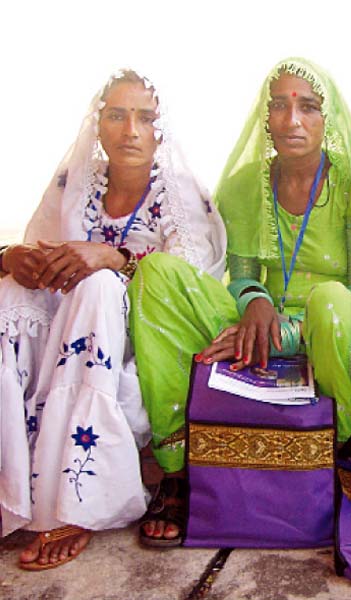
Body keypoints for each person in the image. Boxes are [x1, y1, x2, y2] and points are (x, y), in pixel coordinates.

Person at [129, 57, 351, 546]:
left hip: (329, 327)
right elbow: (242, 275)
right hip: (255, 321)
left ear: (327, 117)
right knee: (157, 274)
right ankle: (179, 469)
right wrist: (253, 302)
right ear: (265, 117)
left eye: (308, 107)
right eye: (280, 106)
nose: (292, 120)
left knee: (330, 301)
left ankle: (338, 461)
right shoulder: (244, 185)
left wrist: (285, 332)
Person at [0, 69, 226, 569]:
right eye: (117, 116)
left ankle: (81, 499)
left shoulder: (179, 194)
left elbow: (184, 286)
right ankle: (13, 489)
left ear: (160, 131)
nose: (130, 131)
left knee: (99, 288)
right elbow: (39, 249)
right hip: (69, 323)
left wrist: (113, 258)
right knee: (11, 295)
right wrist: (12, 257)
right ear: (97, 125)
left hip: (141, 335)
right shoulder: (75, 184)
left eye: (144, 118)